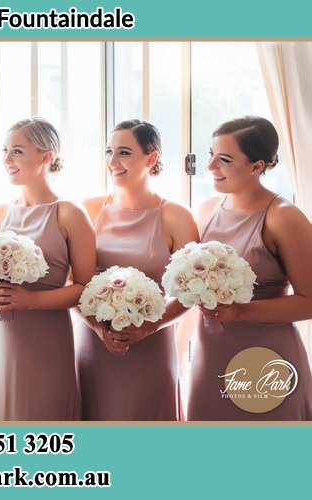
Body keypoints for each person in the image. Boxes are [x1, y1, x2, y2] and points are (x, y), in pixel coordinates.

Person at [188, 116, 312, 420]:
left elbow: (309, 301)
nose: (210, 167)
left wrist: (239, 312)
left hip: (265, 360)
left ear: (256, 167)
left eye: (225, 160)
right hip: (210, 353)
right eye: (211, 155)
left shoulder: (283, 217)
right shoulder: (205, 211)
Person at [77, 119, 199, 420]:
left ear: (152, 157)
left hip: (151, 345)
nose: (113, 162)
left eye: (124, 153)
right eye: (110, 152)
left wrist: (148, 327)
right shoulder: (89, 210)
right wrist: (99, 328)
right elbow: (73, 281)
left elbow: (192, 290)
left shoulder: (176, 216)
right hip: (95, 342)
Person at [0, 118, 96, 420]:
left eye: (17, 151)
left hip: (47, 339)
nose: (7, 160)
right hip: (3, 339)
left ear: (47, 156)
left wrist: (30, 301)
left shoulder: (70, 214)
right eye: (5, 151)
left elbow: (85, 287)